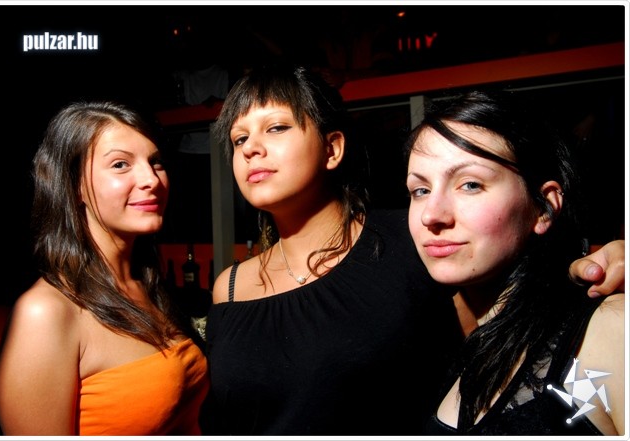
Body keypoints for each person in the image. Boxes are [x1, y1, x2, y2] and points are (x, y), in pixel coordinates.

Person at [200, 64, 625, 435]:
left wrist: (591, 267)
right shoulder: (230, 287)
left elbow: (517, 315)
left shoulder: (413, 242)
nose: (251, 148)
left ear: (332, 148)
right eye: (238, 139)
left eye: (276, 127)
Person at [405, 90, 625, 435]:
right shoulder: (445, 341)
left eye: (470, 184)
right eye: (420, 190)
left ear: (544, 208)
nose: (431, 215)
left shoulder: (609, 329)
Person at [0, 101, 210, 435]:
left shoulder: (148, 284)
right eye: (121, 164)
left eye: (155, 162)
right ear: (74, 185)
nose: (151, 179)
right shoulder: (47, 313)